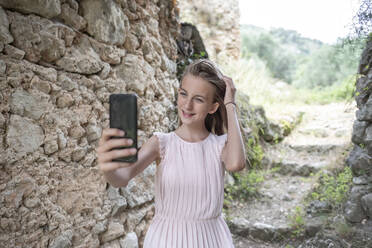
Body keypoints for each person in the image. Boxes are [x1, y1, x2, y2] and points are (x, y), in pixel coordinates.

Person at [96, 59, 246, 247]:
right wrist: (107, 167)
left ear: (213, 107)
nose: (187, 105)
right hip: (167, 239)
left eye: (198, 99)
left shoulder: (219, 144)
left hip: (211, 239)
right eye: (184, 94)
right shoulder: (161, 143)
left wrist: (230, 103)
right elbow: (121, 178)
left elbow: (236, 163)